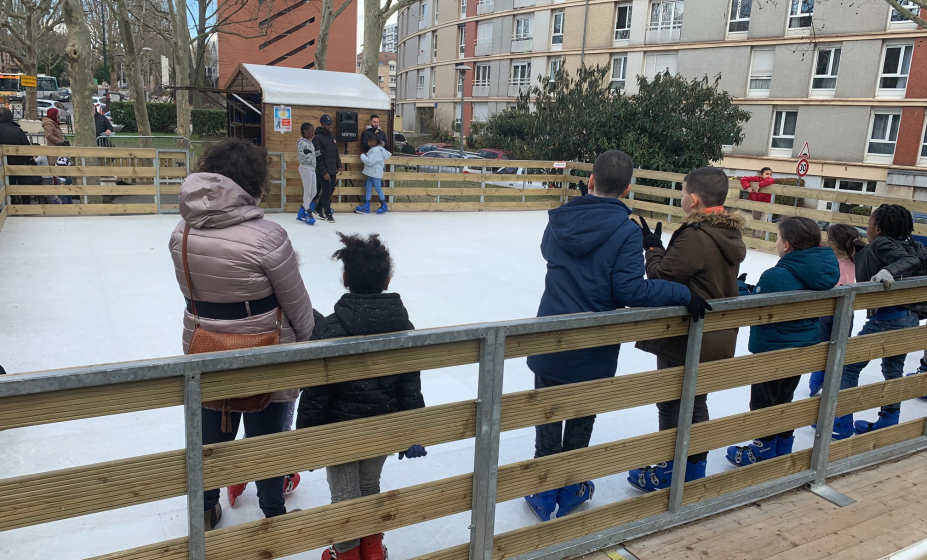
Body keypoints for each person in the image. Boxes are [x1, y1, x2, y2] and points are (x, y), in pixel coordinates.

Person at [523, 150, 710, 521]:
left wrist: (581, 206)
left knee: (548, 412)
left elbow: (548, 251)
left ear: (590, 181)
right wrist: (683, 293)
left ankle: (544, 489)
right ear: (627, 188)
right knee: (581, 413)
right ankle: (571, 485)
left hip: (549, 335)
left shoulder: (560, 220)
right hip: (594, 343)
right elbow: (630, 291)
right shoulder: (625, 230)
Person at [168, 139, 315, 530]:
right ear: (253, 181)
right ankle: (273, 511)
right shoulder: (268, 236)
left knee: (211, 432)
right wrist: (307, 345)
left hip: (204, 346)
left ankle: (205, 508)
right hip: (263, 348)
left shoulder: (180, 232)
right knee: (268, 438)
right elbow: (297, 304)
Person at [297, 233, 426, 560]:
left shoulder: (329, 329)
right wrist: (413, 430)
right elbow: (409, 385)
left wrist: (307, 438)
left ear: (345, 279)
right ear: (387, 279)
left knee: (344, 496)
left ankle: (347, 553)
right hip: (381, 429)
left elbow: (315, 392)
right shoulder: (403, 325)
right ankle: (371, 550)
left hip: (339, 433)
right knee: (369, 487)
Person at [627, 167, 746, 492]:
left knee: (672, 402)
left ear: (692, 200)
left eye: (682, 192)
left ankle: (671, 470)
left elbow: (663, 278)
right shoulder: (728, 234)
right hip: (715, 332)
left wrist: (651, 250)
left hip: (686, 334)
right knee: (695, 401)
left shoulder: (696, 235)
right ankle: (693, 468)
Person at [726, 217, 839, 466]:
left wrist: (741, 287)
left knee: (764, 401)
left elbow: (754, 307)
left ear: (786, 245)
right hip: (802, 348)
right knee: (785, 397)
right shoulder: (822, 273)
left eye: (777, 238)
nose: (776, 243)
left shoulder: (776, 275)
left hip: (772, 350)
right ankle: (782, 444)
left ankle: (762, 449)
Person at [838, 204, 927, 437]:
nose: (867, 228)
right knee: (893, 369)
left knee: (848, 366)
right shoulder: (915, 245)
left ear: (877, 228)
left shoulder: (883, 243)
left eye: (869, 223)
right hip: (909, 318)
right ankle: (888, 420)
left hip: (887, 320)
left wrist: (888, 272)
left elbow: (908, 261)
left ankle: (840, 422)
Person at [807, 224, 865, 399]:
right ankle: (825, 379)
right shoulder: (856, 259)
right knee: (839, 344)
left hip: (828, 309)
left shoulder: (827, 260)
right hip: (847, 308)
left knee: (824, 344)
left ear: (831, 242)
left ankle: (818, 378)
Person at [0, 106, 39, 203]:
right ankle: (25, 205)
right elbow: (26, 147)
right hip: (18, 163)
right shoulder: (17, 130)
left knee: (6, 186)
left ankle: (10, 204)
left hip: (2, 164)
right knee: (22, 186)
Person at [313, 114, 341, 224]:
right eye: (327, 124)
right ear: (322, 124)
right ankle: (328, 213)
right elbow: (318, 157)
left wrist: (339, 165)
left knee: (330, 190)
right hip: (323, 170)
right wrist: (323, 171)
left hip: (332, 168)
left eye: (331, 124)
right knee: (326, 191)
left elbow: (336, 153)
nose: (330, 125)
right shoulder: (317, 139)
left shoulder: (333, 137)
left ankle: (318, 209)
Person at [355, 135, 391, 215]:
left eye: (369, 141)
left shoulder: (376, 151)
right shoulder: (374, 150)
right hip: (371, 172)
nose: (368, 142)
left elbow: (369, 161)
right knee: (368, 187)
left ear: (374, 142)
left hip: (375, 173)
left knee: (378, 188)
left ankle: (384, 205)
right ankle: (366, 206)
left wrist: (362, 155)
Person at [740, 167, 775, 239]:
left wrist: (759, 185)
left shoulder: (770, 180)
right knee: (756, 222)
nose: (769, 175)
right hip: (755, 204)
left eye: (770, 174)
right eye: (767, 174)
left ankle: (756, 237)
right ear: (761, 175)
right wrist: (748, 187)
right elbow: (743, 179)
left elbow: (770, 180)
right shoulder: (755, 179)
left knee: (763, 222)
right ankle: (753, 238)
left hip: (765, 205)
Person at [296, 122, 319, 225]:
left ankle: (302, 209)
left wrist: (320, 152)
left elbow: (312, 154)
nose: (313, 133)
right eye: (311, 131)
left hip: (312, 168)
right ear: (305, 131)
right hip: (305, 168)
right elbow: (302, 155)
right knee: (308, 191)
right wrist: (310, 155)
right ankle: (307, 211)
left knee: (314, 191)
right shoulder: (301, 142)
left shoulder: (310, 143)